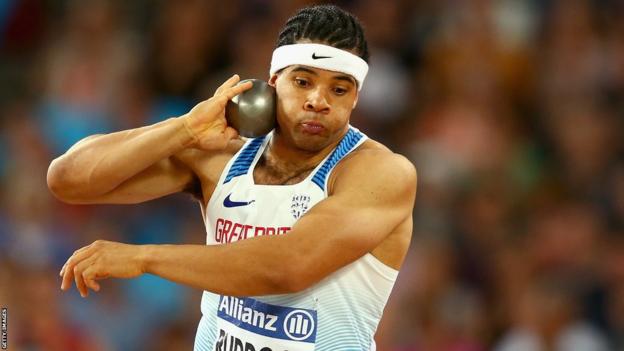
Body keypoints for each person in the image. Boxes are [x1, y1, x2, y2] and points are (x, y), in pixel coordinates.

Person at [47, 5, 417, 351]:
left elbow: (287, 267)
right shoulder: (223, 158)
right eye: (303, 82)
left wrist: (144, 258)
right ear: (272, 82)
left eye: (339, 89)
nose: (319, 101)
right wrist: (184, 128)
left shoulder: (380, 173)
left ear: (355, 99)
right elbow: (68, 179)